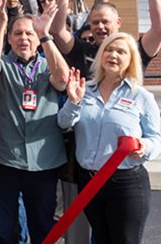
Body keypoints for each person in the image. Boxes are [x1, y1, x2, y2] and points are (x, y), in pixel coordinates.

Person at [0, 0, 70, 244]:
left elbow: (63, 80)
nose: (23, 38)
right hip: (3, 160)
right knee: (2, 230)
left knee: (43, 227)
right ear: (9, 38)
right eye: (17, 34)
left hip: (43, 162)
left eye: (29, 33)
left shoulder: (47, 64)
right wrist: (1, 21)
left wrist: (45, 35)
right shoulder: (1, 64)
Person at [57, 33, 161, 244]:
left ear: (131, 59)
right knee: (101, 240)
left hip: (126, 185)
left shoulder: (141, 96)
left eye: (121, 51)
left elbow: (156, 138)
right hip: (89, 182)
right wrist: (74, 102)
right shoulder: (84, 90)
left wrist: (144, 146)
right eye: (108, 49)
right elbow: (63, 123)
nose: (113, 54)